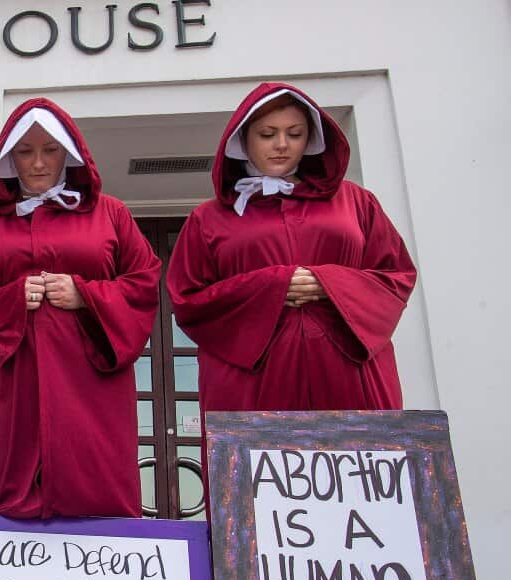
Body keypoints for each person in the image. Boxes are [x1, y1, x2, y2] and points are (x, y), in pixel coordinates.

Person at [0, 97, 161, 519]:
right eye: (25, 151)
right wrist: (5, 298)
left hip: (87, 381)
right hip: (1, 380)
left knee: (92, 489)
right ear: (8, 157)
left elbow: (144, 281)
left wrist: (85, 294)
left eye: (50, 150)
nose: (38, 163)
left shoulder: (111, 214)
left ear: (68, 154)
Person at [166, 82, 416, 415]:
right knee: (256, 466)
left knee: (352, 459)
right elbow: (187, 299)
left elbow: (396, 277)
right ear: (243, 140)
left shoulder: (356, 201)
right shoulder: (208, 218)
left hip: (350, 374)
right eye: (267, 134)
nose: (281, 145)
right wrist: (273, 286)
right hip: (252, 381)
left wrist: (329, 284)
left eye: (295, 134)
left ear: (310, 139)